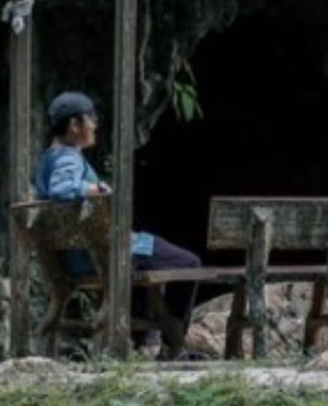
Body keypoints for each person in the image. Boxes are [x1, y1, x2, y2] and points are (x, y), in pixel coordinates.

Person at [33, 90, 203, 355]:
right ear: (75, 125)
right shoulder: (68, 158)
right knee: (189, 263)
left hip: (76, 257)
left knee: (147, 256)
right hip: (101, 255)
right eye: (90, 118)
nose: (95, 124)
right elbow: (62, 189)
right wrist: (95, 188)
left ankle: (146, 338)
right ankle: (171, 344)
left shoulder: (47, 159)